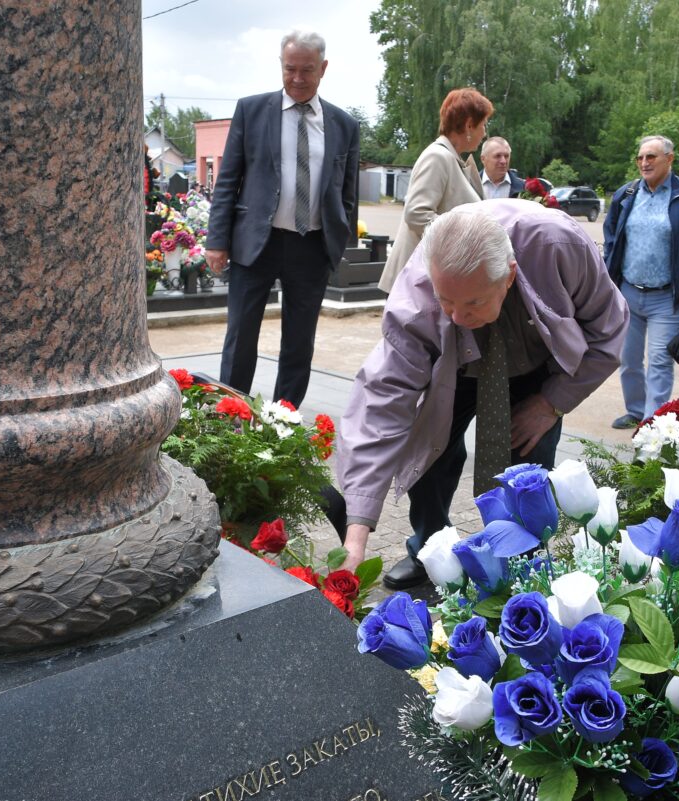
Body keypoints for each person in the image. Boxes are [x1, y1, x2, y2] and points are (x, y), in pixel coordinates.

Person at [337, 200, 628, 584]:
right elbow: (379, 403)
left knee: (528, 472)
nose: (457, 317)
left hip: (536, 367)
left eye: (473, 302)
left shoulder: (561, 247)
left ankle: (522, 569)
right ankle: (431, 550)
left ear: (508, 277)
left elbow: (609, 331)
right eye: (446, 302)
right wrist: (355, 536)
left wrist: (551, 403)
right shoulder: (418, 295)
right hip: (454, 367)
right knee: (427, 457)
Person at [205, 30, 360, 408]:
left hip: (312, 248)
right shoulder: (252, 110)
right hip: (256, 243)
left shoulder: (344, 125)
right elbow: (229, 180)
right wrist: (216, 239)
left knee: (299, 342)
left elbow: (348, 192)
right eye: (290, 68)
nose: (297, 78)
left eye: (307, 70)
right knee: (241, 338)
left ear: (323, 68)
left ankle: (282, 421)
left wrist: (339, 245)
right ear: (281, 65)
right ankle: (232, 415)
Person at [603, 135, 679, 430]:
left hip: (667, 297)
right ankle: (636, 410)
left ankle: (653, 423)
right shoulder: (625, 195)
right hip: (628, 292)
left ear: (670, 159)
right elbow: (611, 242)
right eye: (640, 157)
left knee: (660, 361)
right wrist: (606, 282)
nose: (644, 163)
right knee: (628, 360)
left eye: (651, 157)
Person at [376, 88, 490, 293]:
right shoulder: (438, 157)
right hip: (417, 284)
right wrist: (463, 238)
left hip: (429, 280)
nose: (485, 133)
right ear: (469, 125)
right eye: (483, 125)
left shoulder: (451, 158)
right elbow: (416, 214)